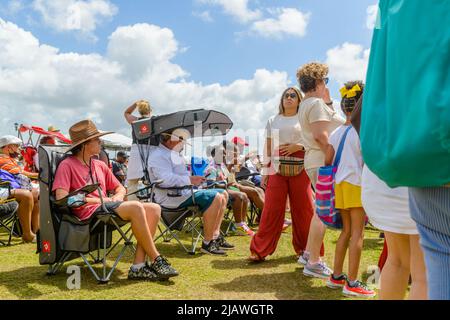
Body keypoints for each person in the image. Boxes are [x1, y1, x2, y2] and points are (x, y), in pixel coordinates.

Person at [53, 120, 178, 281]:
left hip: (107, 208)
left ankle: (138, 266)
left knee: (154, 208)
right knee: (135, 206)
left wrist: (116, 197)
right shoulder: (67, 165)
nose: (101, 142)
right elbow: (62, 198)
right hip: (86, 213)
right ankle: (157, 259)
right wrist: (99, 200)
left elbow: (121, 188)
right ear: (84, 144)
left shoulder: (99, 164)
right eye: (97, 139)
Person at [352, 96, 428, 300]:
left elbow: (357, 117)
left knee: (397, 261)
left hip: (381, 173)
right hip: (418, 173)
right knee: (423, 274)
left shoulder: (382, 71)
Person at [249, 87, 317, 262]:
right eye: (286, 95)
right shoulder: (274, 120)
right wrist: (265, 170)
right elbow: (268, 146)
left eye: (293, 95)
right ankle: (259, 250)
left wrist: (299, 146)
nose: (288, 98)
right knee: (271, 209)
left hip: (301, 166)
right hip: (276, 167)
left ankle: (306, 250)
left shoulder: (305, 118)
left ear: (299, 99)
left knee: (304, 209)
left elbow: (314, 139)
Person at [324, 81, 376, 298]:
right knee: (358, 233)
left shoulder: (336, 132)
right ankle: (352, 282)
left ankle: (336, 277)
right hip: (356, 183)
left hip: (339, 185)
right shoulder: (363, 132)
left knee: (346, 232)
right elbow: (368, 162)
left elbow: (327, 159)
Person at [148, 128, 234, 255]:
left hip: (182, 192)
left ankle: (215, 237)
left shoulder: (173, 154)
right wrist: (189, 179)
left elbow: (179, 177)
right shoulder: (158, 155)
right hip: (170, 197)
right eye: (181, 140)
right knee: (216, 196)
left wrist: (192, 180)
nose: (183, 143)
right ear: (171, 139)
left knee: (223, 193)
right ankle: (207, 243)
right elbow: (164, 180)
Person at [296, 62, 345, 278]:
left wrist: (328, 99)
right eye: (325, 80)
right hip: (321, 158)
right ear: (318, 81)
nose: (326, 84)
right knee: (323, 212)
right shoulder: (315, 104)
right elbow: (320, 135)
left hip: (315, 159)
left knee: (320, 209)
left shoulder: (312, 103)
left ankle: (308, 254)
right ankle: (313, 261)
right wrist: (330, 156)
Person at [206, 143, 255, 236]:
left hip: (224, 188)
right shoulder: (211, 168)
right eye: (221, 153)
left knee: (244, 195)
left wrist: (229, 180)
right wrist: (225, 183)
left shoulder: (222, 165)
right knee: (239, 195)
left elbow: (227, 178)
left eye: (224, 153)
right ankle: (238, 224)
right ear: (214, 155)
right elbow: (211, 184)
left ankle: (242, 223)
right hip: (215, 190)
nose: (224, 155)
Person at [0, 135, 39, 243]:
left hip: (9, 189)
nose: (18, 149)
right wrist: (39, 175)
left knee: (36, 194)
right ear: (8, 147)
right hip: (5, 189)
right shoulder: (3, 159)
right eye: (16, 146)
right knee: (28, 195)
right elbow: (20, 173)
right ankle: (27, 234)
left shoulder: (9, 159)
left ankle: (36, 231)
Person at [124, 100, 153, 200]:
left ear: (139, 110)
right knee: (154, 179)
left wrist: (135, 104)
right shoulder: (155, 121)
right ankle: (152, 202)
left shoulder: (135, 120)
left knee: (132, 182)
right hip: (151, 151)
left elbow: (126, 113)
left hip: (137, 150)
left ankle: (132, 205)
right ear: (150, 110)